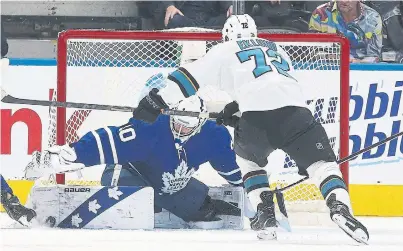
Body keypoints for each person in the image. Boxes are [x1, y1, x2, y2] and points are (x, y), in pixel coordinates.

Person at [132, 14, 369, 244]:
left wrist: (156, 101)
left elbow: (186, 79)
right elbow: (272, 85)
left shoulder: (224, 49)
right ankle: (340, 207)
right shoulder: (277, 49)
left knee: (249, 164)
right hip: (297, 115)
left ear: (226, 35)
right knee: (323, 166)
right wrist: (236, 106)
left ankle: (265, 215)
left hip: (254, 120)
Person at [25, 95, 243, 227]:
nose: (180, 129)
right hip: (127, 173)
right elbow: (107, 139)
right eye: (177, 123)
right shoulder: (150, 128)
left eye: (187, 126)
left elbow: (229, 167)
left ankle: (159, 205)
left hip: (168, 185)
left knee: (202, 208)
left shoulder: (215, 135)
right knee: (135, 198)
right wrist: (70, 154)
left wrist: (247, 188)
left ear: (200, 123)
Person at [309, 0, 382, 63]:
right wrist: (340, 59)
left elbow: (374, 56)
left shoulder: (373, 18)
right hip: (328, 66)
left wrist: (358, 63)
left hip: (361, 67)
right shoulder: (320, 13)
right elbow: (313, 52)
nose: (343, 1)